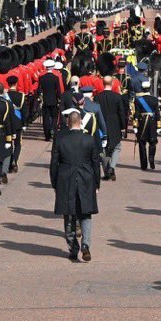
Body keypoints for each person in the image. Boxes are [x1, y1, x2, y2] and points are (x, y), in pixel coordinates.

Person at [51, 109, 101, 262]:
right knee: (85, 214)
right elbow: (95, 164)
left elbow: (54, 164)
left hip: (66, 179)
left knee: (69, 215)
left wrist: (54, 183)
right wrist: (97, 183)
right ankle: (85, 244)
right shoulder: (89, 140)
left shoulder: (61, 140)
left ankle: (73, 248)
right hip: (86, 178)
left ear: (68, 122)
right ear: (80, 122)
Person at [96, 76, 128, 181]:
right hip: (115, 125)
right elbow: (121, 113)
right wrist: (123, 127)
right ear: (112, 84)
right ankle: (112, 167)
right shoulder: (117, 97)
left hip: (102, 125)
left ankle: (107, 171)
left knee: (103, 149)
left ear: (103, 83)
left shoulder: (97, 97)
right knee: (117, 147)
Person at [132, 80, 161, 170]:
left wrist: (135, 126)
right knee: (153, 142)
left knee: (142, 143)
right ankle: (151, 158)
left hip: (142, 122)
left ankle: (143, 164)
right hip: (152, 122)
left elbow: (136, 114)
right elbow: (157, 114)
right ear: (150, 88)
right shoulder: (155, 100)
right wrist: (159, 126)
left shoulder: (138, 100)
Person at [37, 59, 64, 142]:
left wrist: (39, 98)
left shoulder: (42, 77)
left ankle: (47, 136)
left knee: (45, 118)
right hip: (54, 100)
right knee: (54, 117)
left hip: (45, 100)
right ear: (52, 68)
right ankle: (53, 128)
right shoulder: (55, 78)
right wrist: (60, 99)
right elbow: (59, 91)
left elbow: (39, 90)